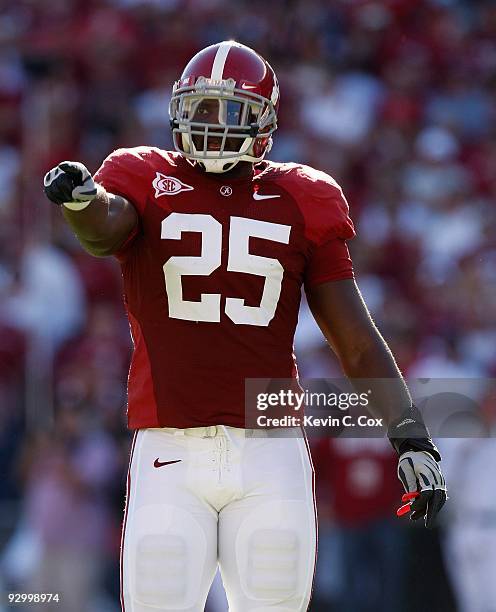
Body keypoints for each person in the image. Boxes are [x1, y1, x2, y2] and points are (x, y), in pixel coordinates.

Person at [43, 41, 447, 612]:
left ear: (264, 119)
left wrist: (412, 438)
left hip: (271, 450)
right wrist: (82, 201)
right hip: (169, 448)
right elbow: (105, 229)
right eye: (201, 107)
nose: (211, 123)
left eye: (229, 109)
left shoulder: (304, 195)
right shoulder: (141, 173)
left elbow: (354, 339)